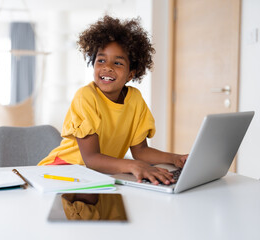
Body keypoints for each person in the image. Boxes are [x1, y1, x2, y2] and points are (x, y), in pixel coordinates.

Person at [38, 15, 188, 185]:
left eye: (117, 63)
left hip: (95, 176)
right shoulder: (86, 97)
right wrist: (133, 166)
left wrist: (175, 159)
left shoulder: (135, 100)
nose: (107, 67)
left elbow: (141, 151)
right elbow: (91, 159)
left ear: (131, 74)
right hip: (60, 171)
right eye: (101, 60)